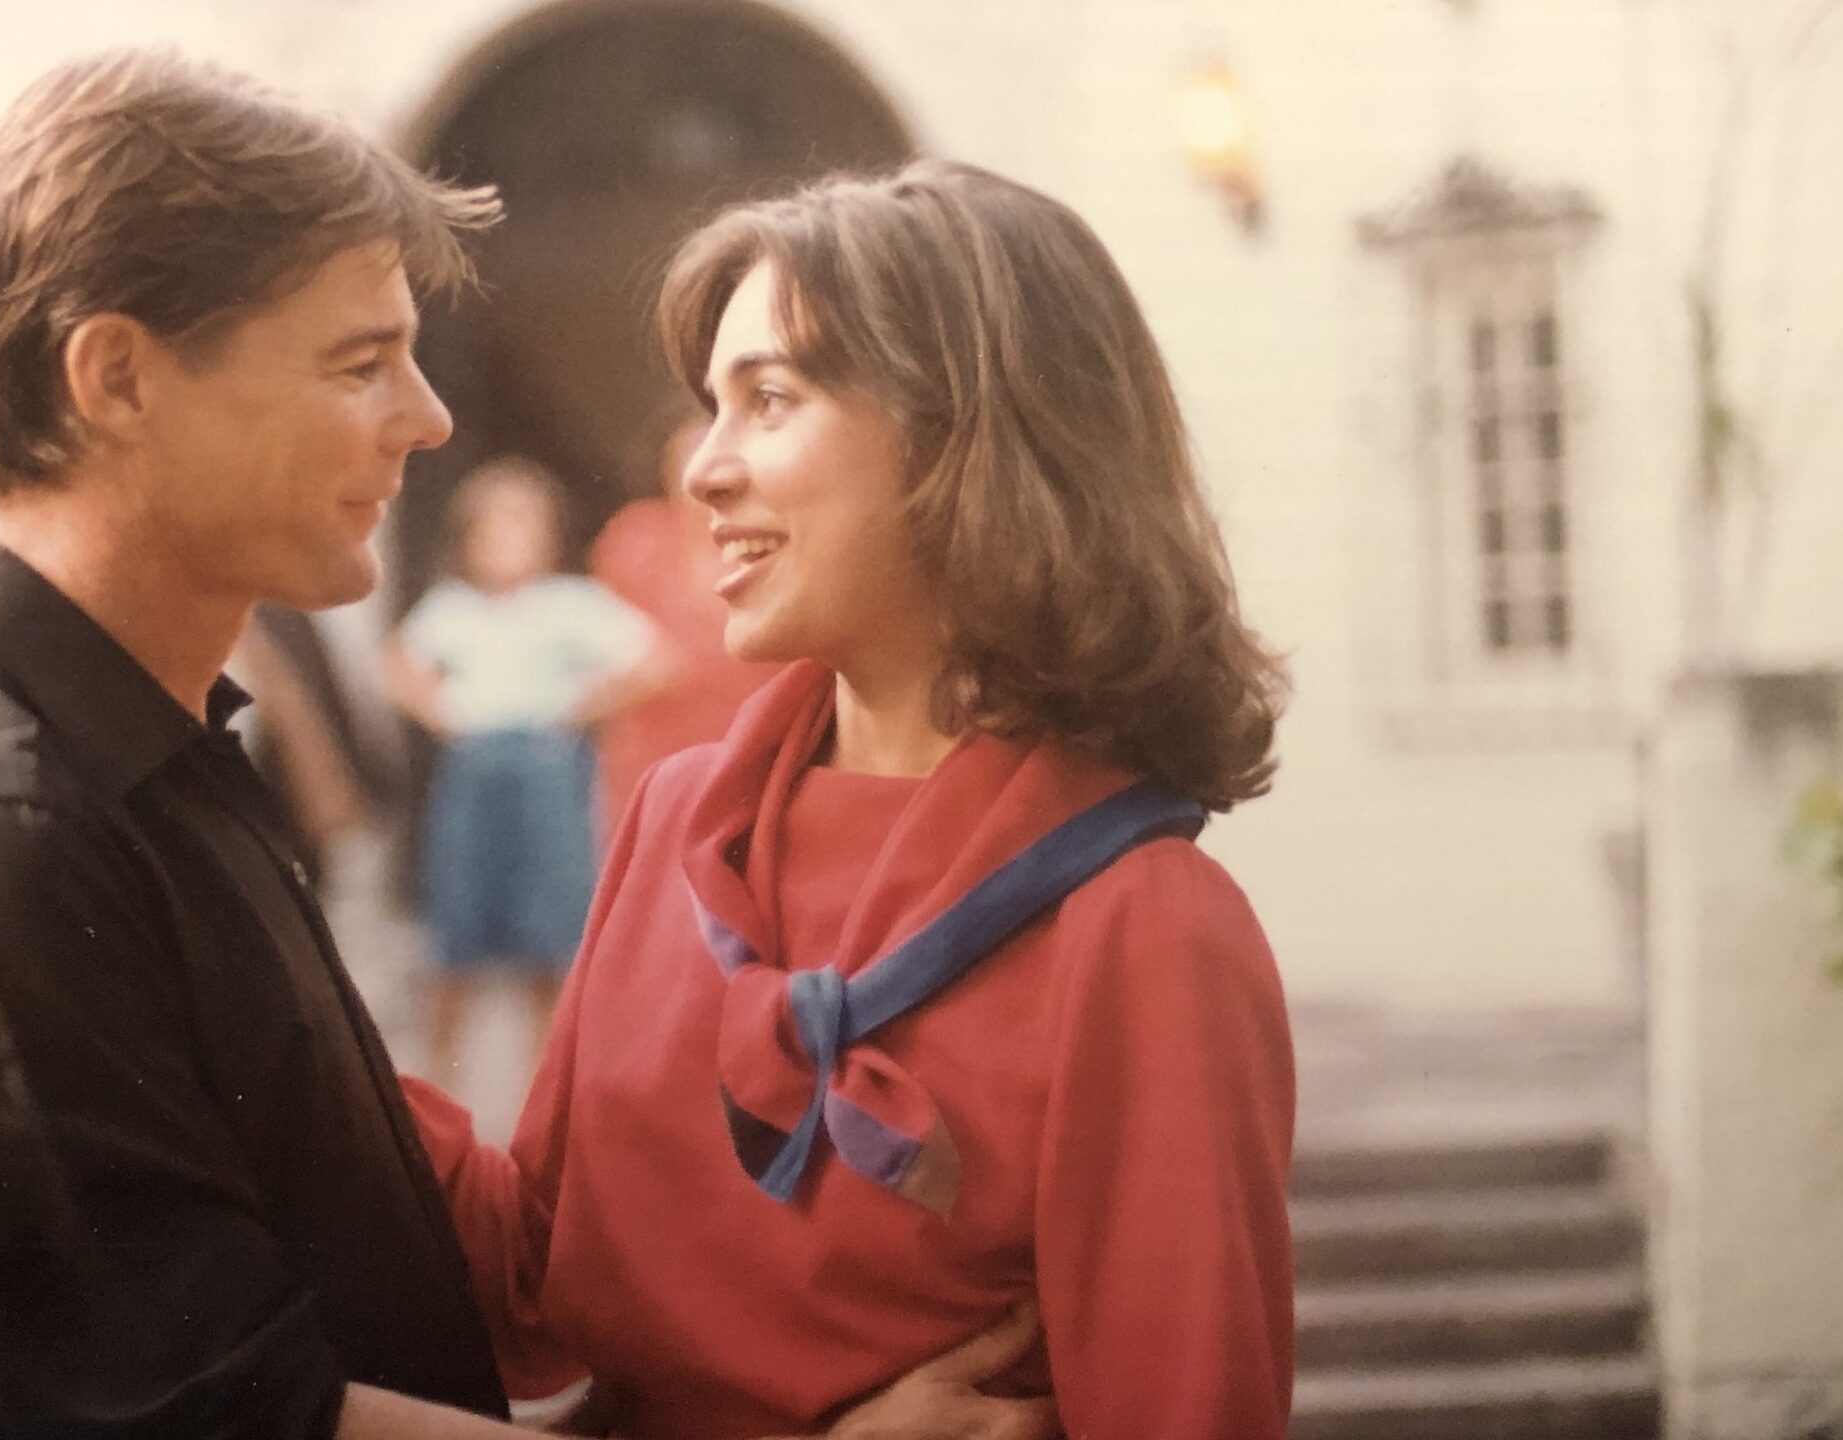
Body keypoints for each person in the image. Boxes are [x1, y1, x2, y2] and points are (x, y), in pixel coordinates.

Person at [0, 49, 1048, 1440]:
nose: (427, 419)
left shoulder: (126, 759)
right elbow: (234, 1423)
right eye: (360, 363)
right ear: (117, 378)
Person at [411, 161, 1298, 1438]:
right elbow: (530, 1285)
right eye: (711, 407)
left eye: (768, 399)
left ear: (963, 439)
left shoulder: (1143, 926)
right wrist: (251, 993)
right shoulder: (675, 821)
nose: (704, 470)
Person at [385, 459, 658, 1074]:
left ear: (549, 539)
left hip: (544, 772)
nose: (508, 543)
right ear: (468, 539)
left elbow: (653, 660)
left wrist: (579, 707)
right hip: (475, 769)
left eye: (523, 528)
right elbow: (398, 665)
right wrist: (444, 713)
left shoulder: (571, 603)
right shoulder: (453, 608)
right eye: (493, 529)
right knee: (456, 933)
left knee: (549, 935)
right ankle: (436, 1082)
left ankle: (545, 1083)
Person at [587, 415, 777, 824]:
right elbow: (595, 644)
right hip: (648, 755)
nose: (699, 470)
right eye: (685, 457)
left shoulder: (769, 540)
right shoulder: (635, 537)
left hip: (747, 750)